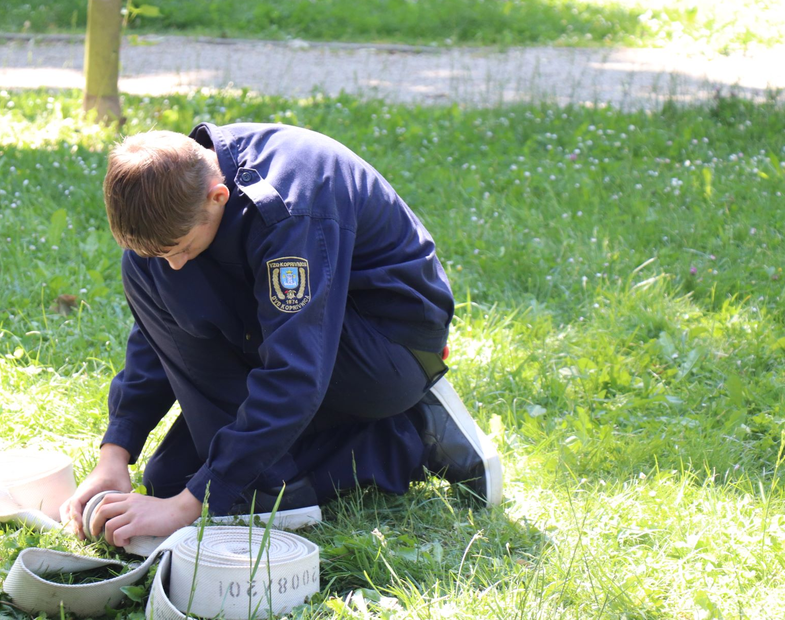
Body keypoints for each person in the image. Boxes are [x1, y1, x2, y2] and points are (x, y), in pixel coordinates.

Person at [60, 123, 501, 547]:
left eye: (181, 249)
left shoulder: (286, 209)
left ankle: (411, 435)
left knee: (206, 495)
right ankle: (266, 483)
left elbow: (296, 371)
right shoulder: (183, 204)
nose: (174, 265)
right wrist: (115, 453)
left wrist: (192, 504)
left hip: (385, 345)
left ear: (218, 197)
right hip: (293, 331)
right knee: (169, 480)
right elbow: (161, 335)